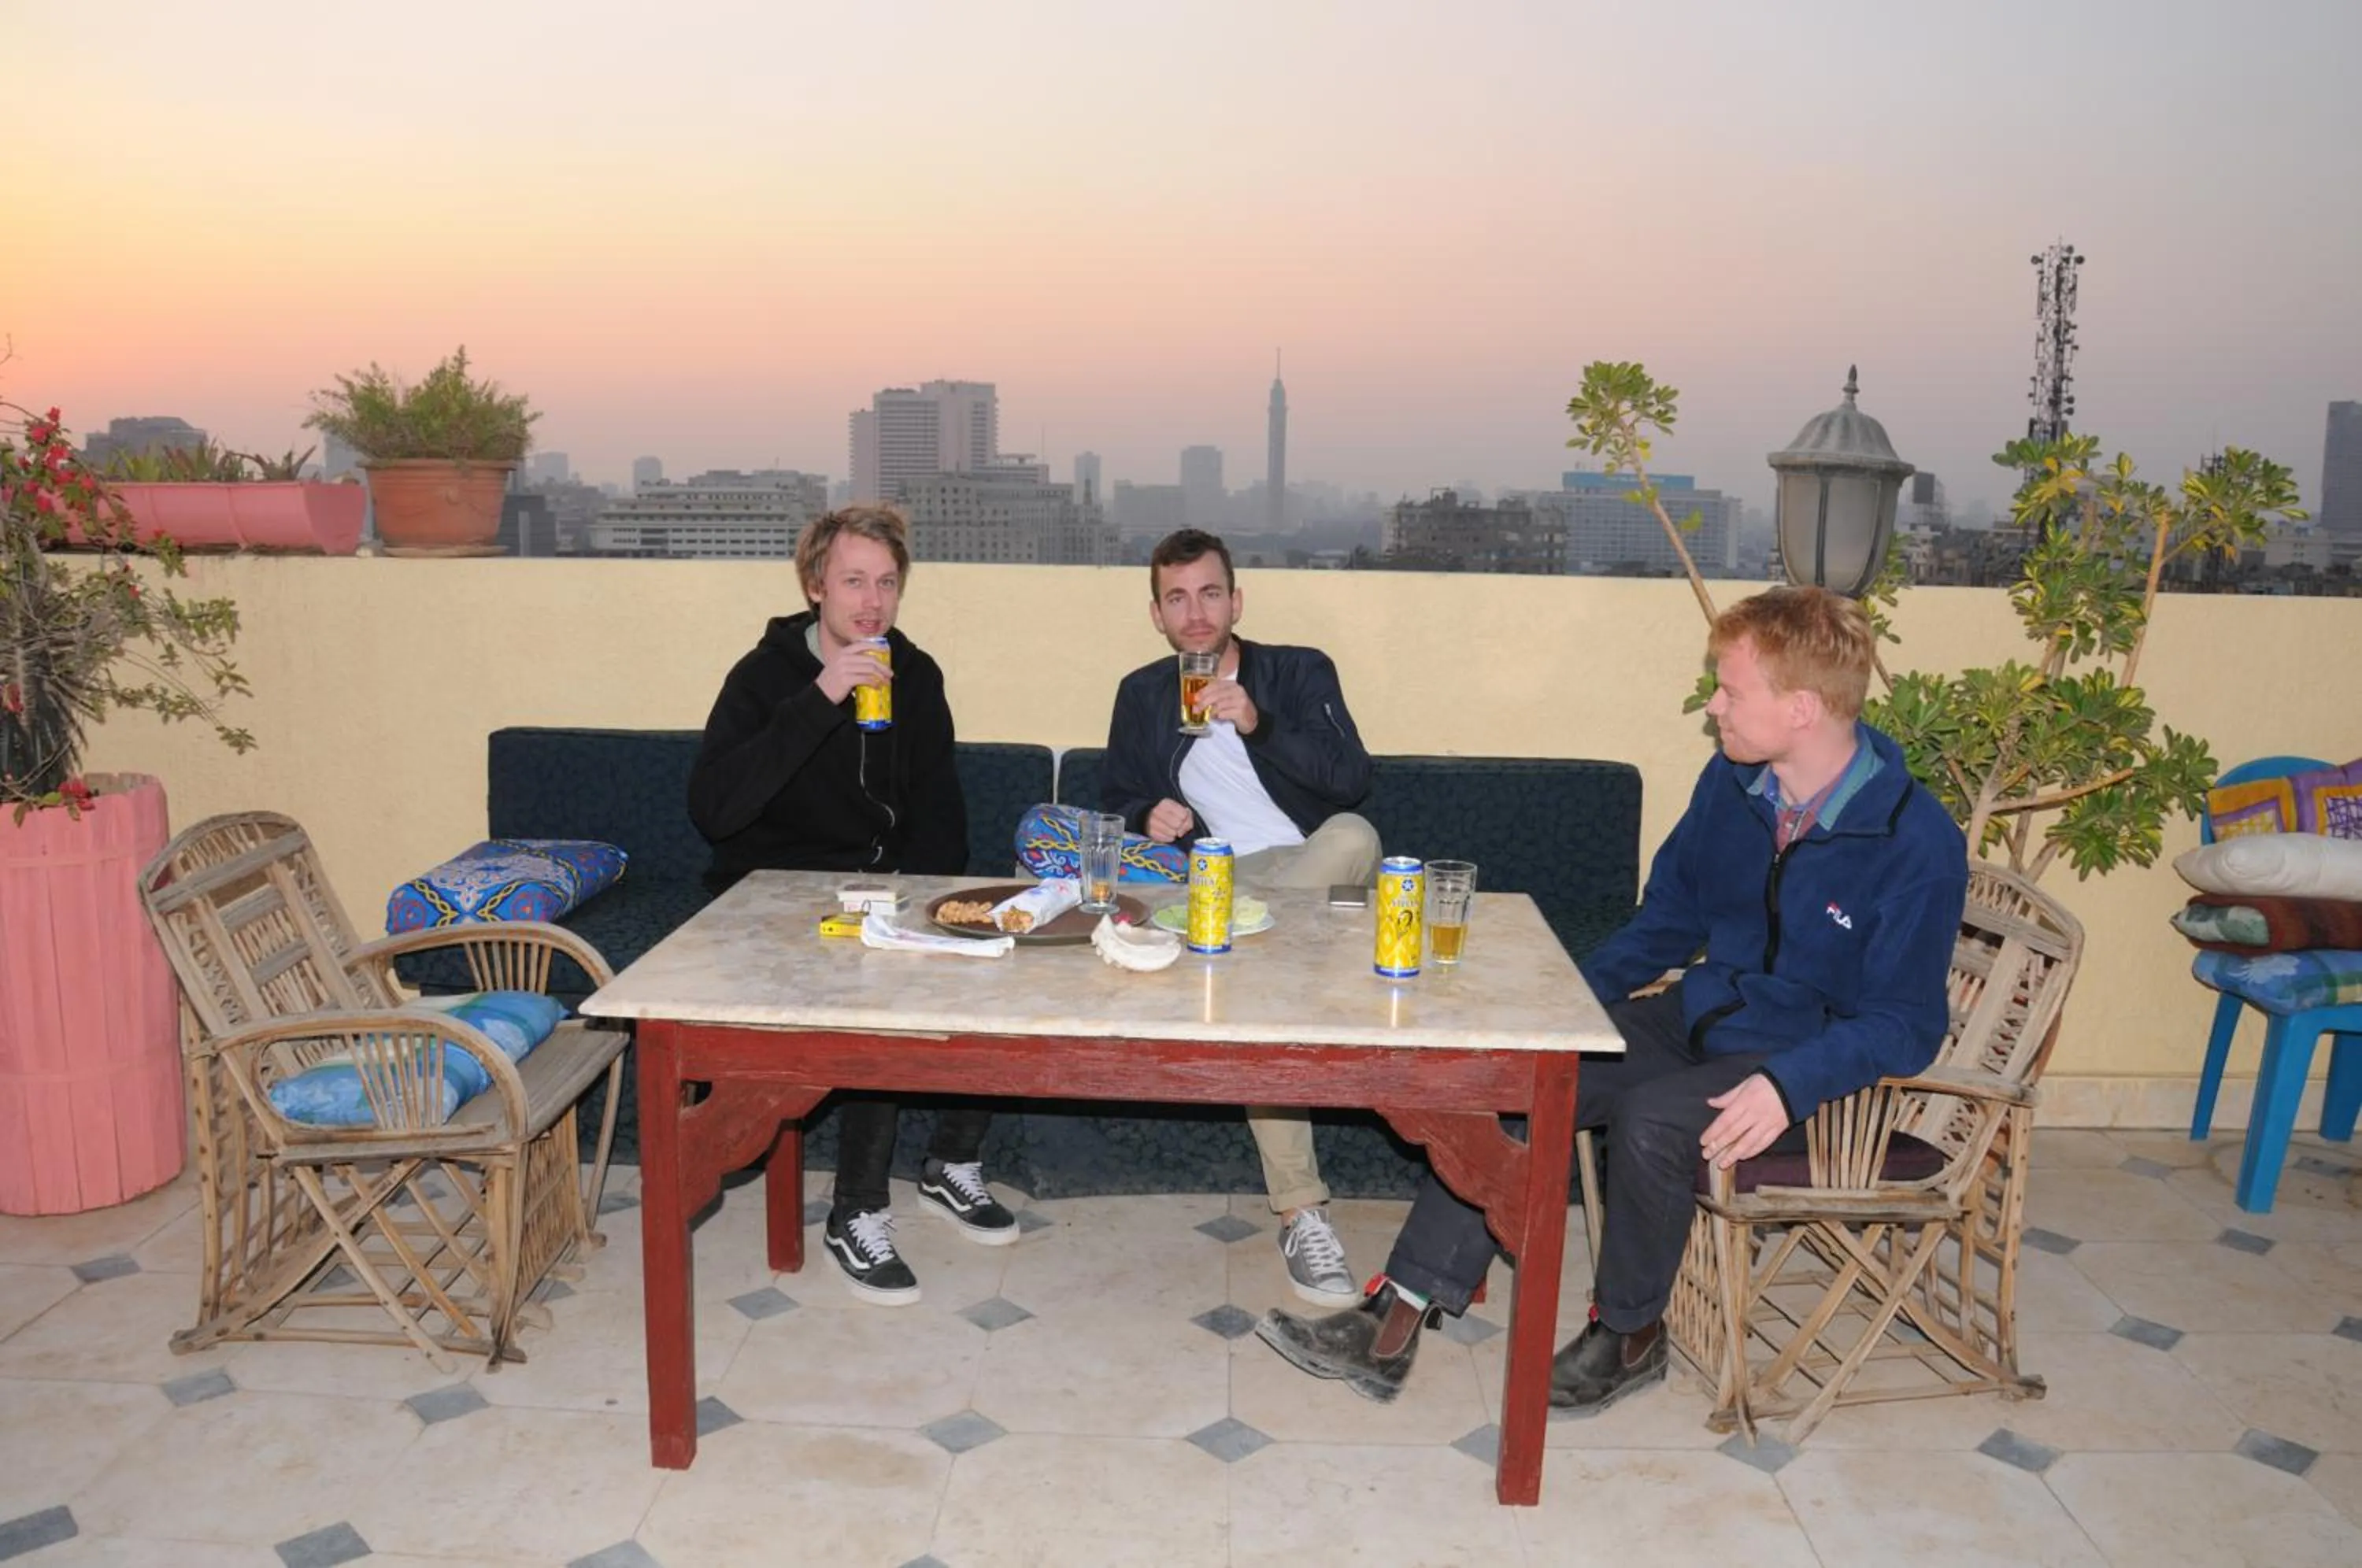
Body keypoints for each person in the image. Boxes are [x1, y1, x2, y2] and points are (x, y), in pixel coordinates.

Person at [1254, 585, 1970, 1411]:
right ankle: (1395, 1318)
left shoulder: (1914, 840)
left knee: (1653, 1118)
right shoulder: (1734, 784)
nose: (1714, 707)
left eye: (1731, 691)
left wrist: (1788, 1084)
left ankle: (1629, 1335)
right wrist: (1569, 1005)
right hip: (1704, 1016)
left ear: (1802, 708)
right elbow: (1669, 918)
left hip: (1809, 1066)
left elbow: (1906, 1024)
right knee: (1529, 1077)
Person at [687, 505, 1014, 1306]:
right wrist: (822, 695)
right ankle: (857, 1212)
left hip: (883, 894)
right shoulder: (763, 677)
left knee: (1000, 961)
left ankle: (950, 1160)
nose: (872, 602)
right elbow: (714, 810)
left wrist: (931, 909)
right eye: (854, 582)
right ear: (815, 587)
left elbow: (940, 809)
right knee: (878, 1000)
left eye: (887, 583)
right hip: (774, 894)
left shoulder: (917, 674)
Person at [1102, 527, 1383, 1307]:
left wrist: (1260, 723)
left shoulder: (1297, 670)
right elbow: (1116, 795)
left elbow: (1351, 781)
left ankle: (1249, 957)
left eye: (1210, 593)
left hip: (1308, 875)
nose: (1195, 613)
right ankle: (1301, 1211)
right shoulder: (1142, 694)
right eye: (1177, 598)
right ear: (1157, 614)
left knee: (1355, 837)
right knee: (1263, 982)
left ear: (1237, 601)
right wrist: (1147, 813)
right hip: (1212, 882)